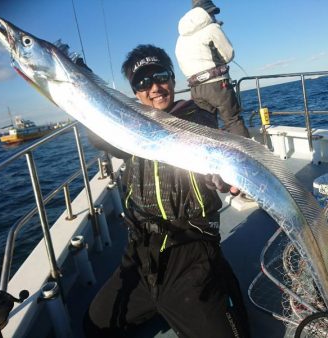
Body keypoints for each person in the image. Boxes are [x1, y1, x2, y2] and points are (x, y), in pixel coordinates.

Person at [83, 44, 250, 338]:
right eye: (143, 82)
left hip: (191, 251)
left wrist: (222, 176)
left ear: (173, 79)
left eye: (160, 76)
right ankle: (162, 303)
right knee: (94, 325)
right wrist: (82, 83)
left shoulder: (196, 118)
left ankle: (219, 286)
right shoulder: (127, 129)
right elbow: (98, 134)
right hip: (139, 252)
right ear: (135, 91)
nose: (154, 87)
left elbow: (212, 157)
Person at [175, 0, 250, 139]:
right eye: (212, 12)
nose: (214, 16)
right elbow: (228, 54)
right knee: (233, 121)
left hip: (195, 89)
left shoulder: (180, 39)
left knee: (208, 126)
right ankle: (251, 157)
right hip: (217, 85)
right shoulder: (212, 28)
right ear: (206, 12)